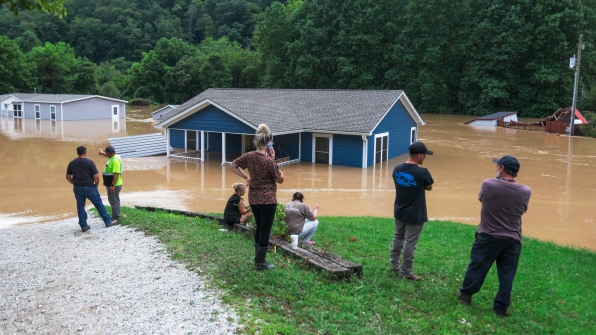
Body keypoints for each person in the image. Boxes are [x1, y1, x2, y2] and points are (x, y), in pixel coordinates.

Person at [457, 156, 531, 317]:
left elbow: (481, 199)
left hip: (488, 236)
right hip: (512, 239)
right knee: (507, 274)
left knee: (477, 266)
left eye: (497, 166)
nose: (496, 169)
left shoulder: (488, 184)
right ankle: (501, 308)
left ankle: (465, 296)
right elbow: (522, 210)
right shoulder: (526, 191)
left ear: (502, 168)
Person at [230, 124, 285, 271]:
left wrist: (246, 177)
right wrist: (273, 161)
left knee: (260, 228)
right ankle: (260, 262)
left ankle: (258, 258)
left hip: (254, 199)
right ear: (269, 142)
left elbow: (233, 165)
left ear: (256, 141)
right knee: (265, 230)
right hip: (268, 200)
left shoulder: (249, 156)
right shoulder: (268, 161)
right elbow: (281, 179)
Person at [390, 142, 434, 281]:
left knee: (398, 238)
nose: (425, 158)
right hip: (415, 214)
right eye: (424, 156)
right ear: (419, 156)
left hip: (400, 210)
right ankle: (406, 272)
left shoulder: (397, 169)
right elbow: (429, 187)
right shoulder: (423, 172)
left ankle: (394, 265)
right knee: (410, 243)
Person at [66, 145, 117, 231]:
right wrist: (96, 184)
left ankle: (83, 226)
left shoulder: (72, 163)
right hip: (90, 187)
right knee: (98, 204)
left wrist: (74, 183)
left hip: (77, 188)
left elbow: (68, 177)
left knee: (80, 206)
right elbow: (96, 176)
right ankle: (108, 222)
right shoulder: (90, 162)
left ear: (77, 153)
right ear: (85, 153)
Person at [98, 145, 123, 222]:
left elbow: (116, 174)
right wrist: (102, 153)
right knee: (113, 199)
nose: (106, 153)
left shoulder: (115, 161)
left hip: (114, 184)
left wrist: (113, 185)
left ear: (109, 153)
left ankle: (116, 217)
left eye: (106, 152)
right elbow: (110, 157)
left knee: (114, 200)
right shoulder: (115, 157)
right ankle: (115, 215)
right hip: (112, 183)